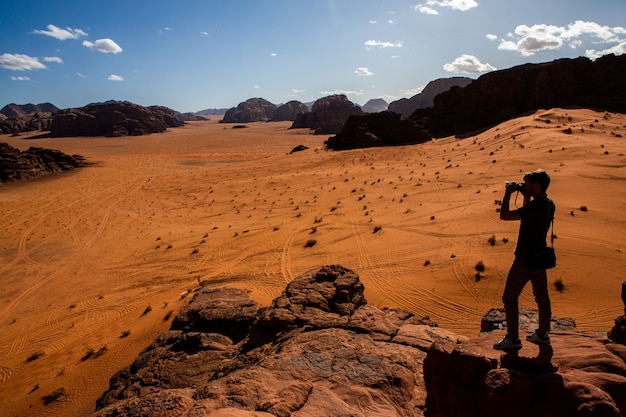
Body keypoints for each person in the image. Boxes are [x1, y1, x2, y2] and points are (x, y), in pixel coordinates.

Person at [493, 169, 556, 350]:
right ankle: (542, 334)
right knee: (542, 298)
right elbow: (528, 215)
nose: (524, 186)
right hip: (540, 259)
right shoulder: (549, 204)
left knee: (510, 298)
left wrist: (508, 193)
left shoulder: (535, 207)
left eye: (527, 183)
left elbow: (504, 215)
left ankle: (512, 339)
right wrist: (526, 194)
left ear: (536, 185)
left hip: (524, 260)